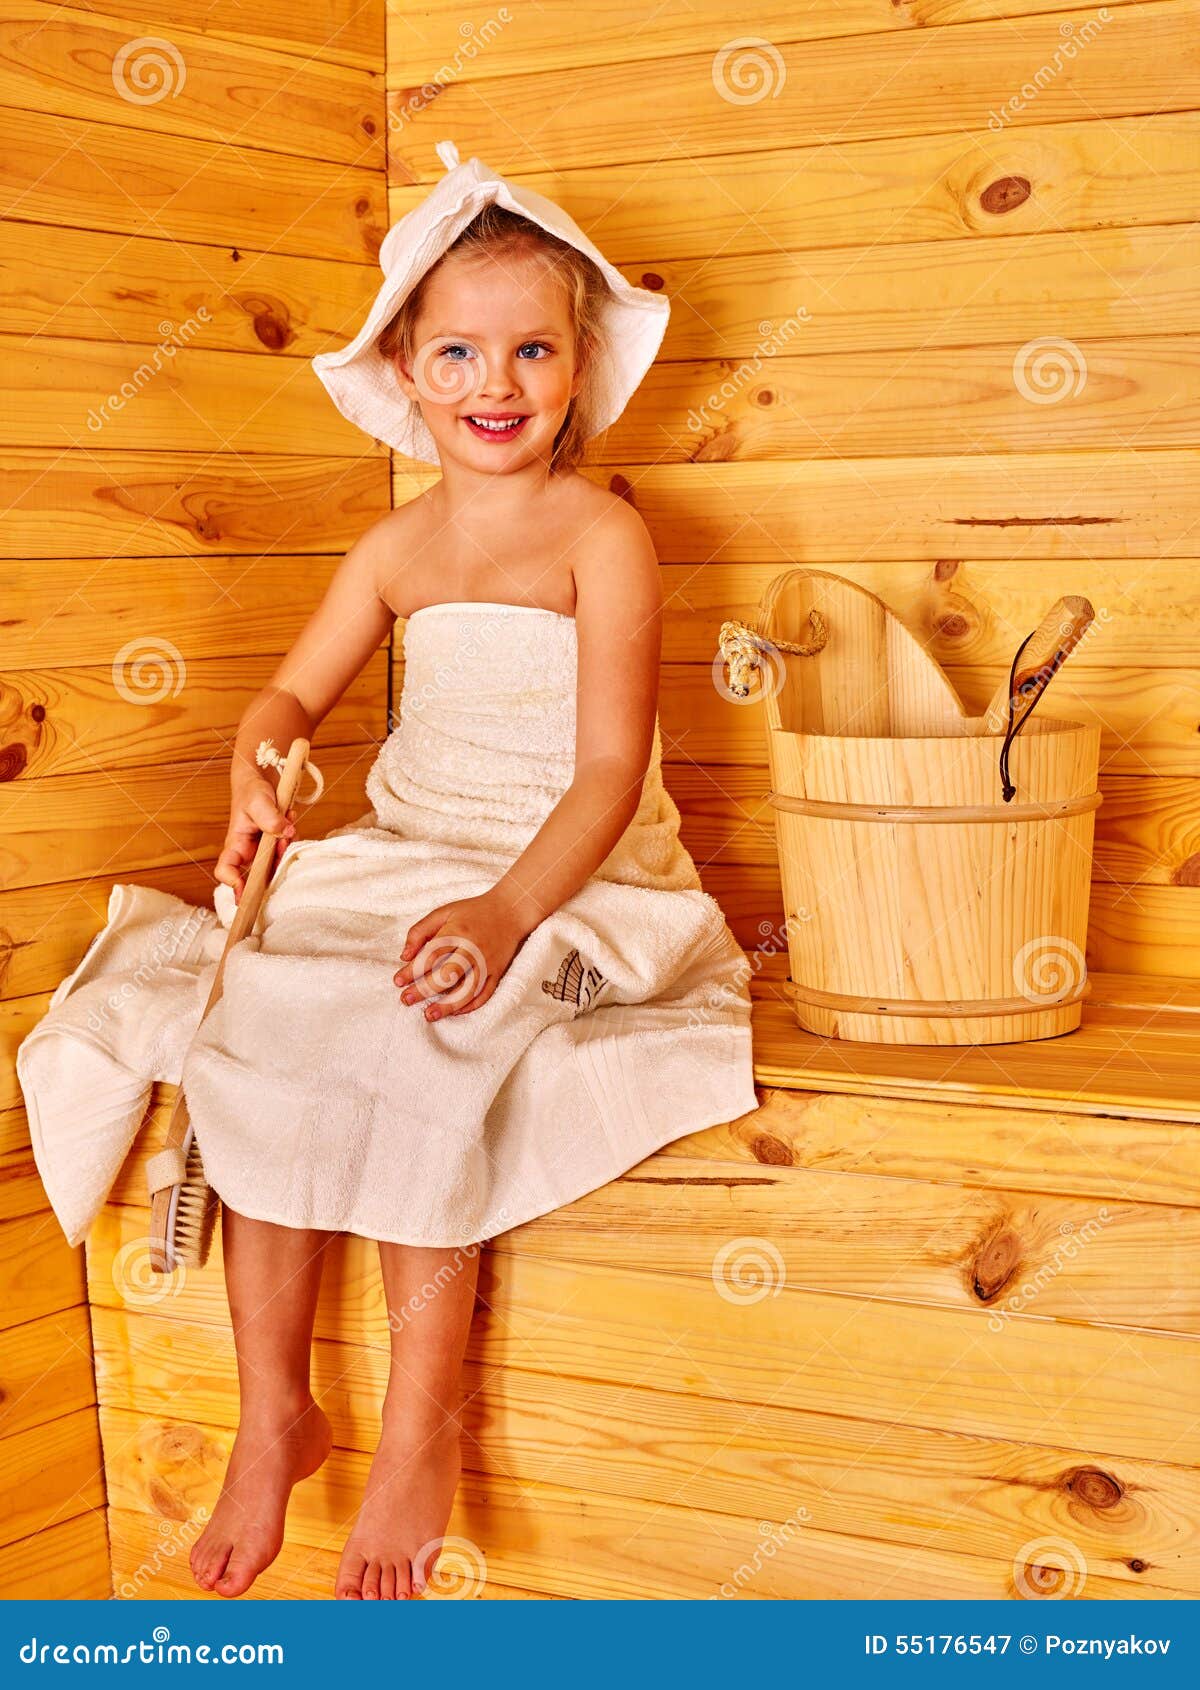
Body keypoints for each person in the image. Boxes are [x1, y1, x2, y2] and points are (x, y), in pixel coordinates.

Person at [184, 142, 759, 1601]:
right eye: (457, 350)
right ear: (409, 370)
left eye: (529, 349)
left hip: (564, 867)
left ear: (575, 371)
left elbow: (607, 772)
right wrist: (257, 765)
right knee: (260, 1030)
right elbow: (285, 702)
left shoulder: (602, 537)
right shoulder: (396, 547)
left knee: (427, 1032)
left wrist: (509, 915)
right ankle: (275, 1418)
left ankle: (420, 1434)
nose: (493, 380)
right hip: (411, 846)